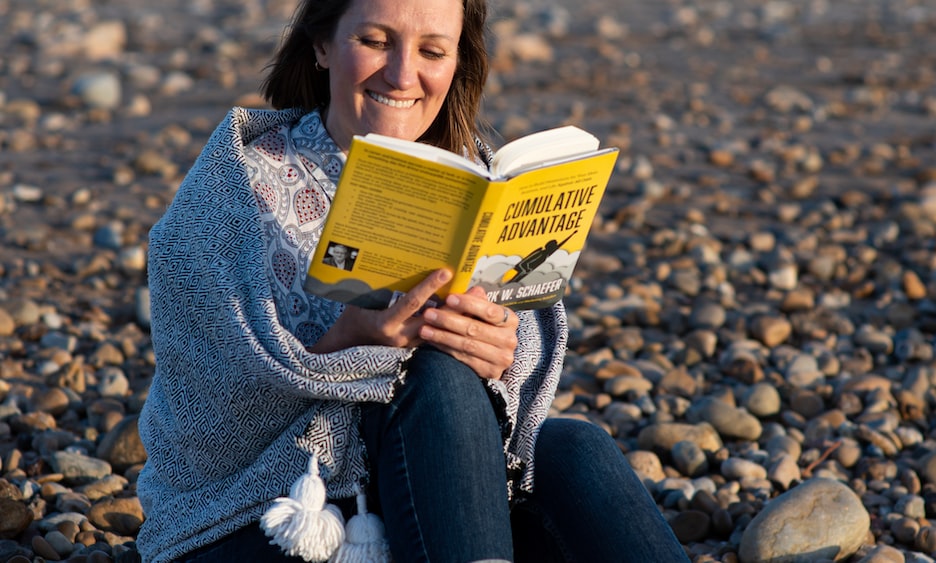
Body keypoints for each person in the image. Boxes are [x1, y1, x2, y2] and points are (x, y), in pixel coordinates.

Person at [136, 0, 690, 561]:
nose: (403, 75)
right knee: (440, 379)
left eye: (431, 50)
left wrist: (499, 358)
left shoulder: (471, 179)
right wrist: (346, 346)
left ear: (456, 65)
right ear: (322, 45)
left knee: (575, 448)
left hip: (422, 487)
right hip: (256, 515)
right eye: (376, 41)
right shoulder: (230, 189)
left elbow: (508, 407)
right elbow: (201, 431)